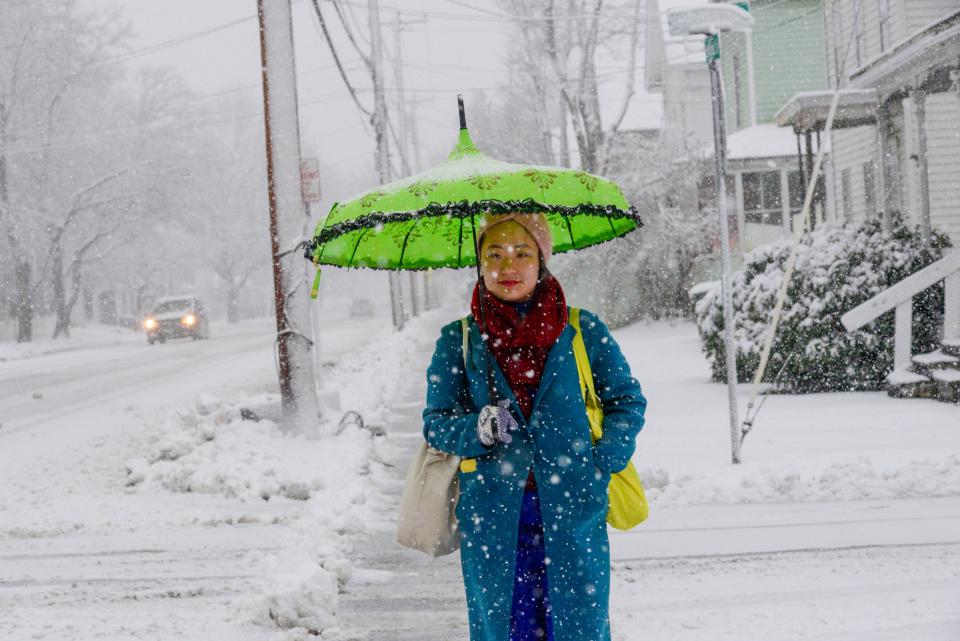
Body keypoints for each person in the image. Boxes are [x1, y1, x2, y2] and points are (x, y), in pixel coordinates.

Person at [422, 212, 647, 641]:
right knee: (504, 630)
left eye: (522, 253)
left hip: (573, 507)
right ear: (480, 263)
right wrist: (478, 429)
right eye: (495, 254)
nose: (508, 266)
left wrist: (603, 461)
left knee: (579, 628)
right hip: (493, 515)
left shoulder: (582, 330)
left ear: (541, 260)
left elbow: (626, 402)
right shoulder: (461, 339)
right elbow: (436, 423)